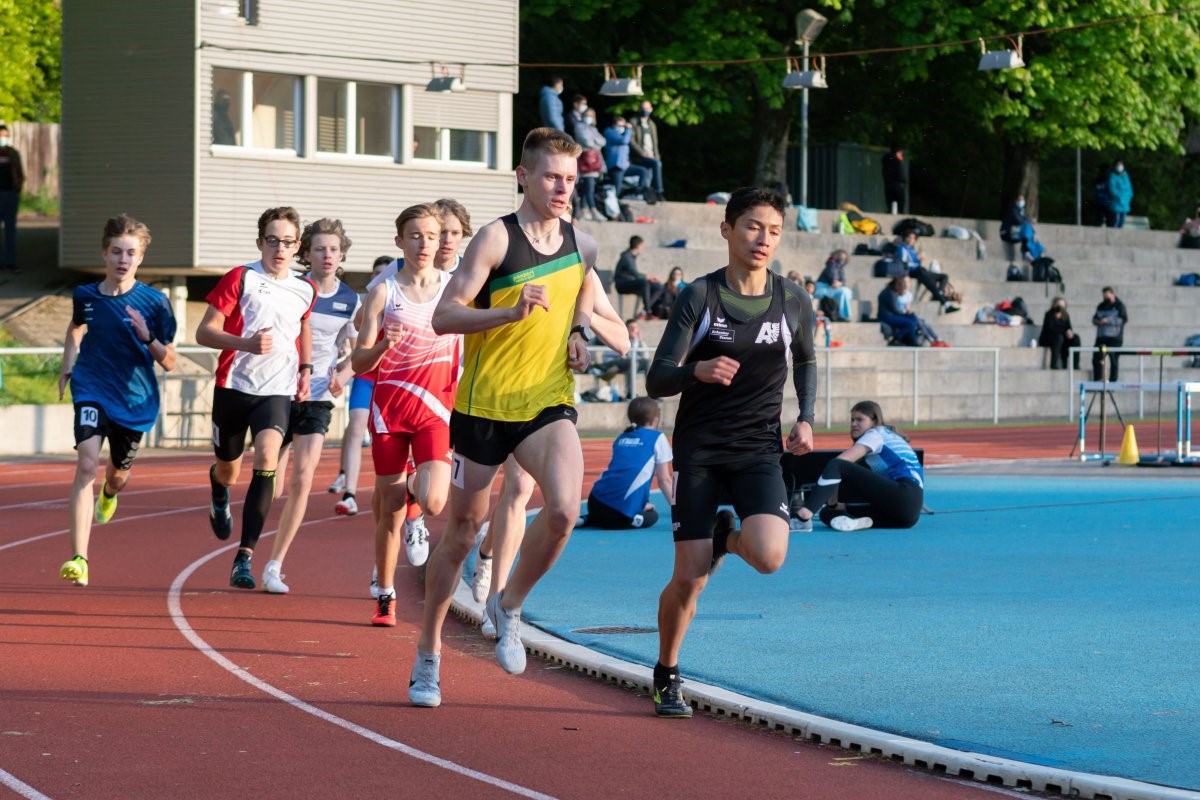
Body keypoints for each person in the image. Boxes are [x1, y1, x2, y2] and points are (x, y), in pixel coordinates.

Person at [407, 127, 598, 707]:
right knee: (462, 532)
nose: (562, 188)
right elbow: (445, 316)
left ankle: (509, 603)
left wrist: (580, 332)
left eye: (570, 178)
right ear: (523, 176)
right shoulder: (495, 239)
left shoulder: (584, 244)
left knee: (564, 510)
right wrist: (510, 312)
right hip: (482, 407)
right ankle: (429, 653)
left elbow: (584, 295)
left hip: (546, 401)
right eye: (551, 177)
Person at [645, 186, 817, 718]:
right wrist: (696, 369)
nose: (763, 239)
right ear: (727, 230)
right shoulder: (700, 296)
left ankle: (727, 535)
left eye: (773, 230)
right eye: (751, 227)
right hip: (699, 451)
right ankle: (667, 672)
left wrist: (806, 417)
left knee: (769, 555)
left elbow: (807, 361)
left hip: (758, 449)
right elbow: (656, 379)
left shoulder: (792, 300)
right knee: (689, 577)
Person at [470, 265, 631, 634]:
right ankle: (490, 569)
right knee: (517, 489)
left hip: (551, 400)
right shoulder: (518, 260)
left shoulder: (582, 275)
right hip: (506, 391)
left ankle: (494, 584)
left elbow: (622, 340)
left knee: (525, 490)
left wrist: (582, 324)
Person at [352, 204, 462, 626]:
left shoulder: (455, 289)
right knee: (390, 507)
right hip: (390, 412)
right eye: (414, 236)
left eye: (431, 236)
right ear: (399, 241)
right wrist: (382, 345)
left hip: (436, 410)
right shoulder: (383, 292)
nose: (424, 243)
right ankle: (385, 591)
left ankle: (416, 503)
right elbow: (360, 362)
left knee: (433, 501)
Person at [195, 206, 316, 590]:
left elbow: (303, 326)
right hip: (233, 386)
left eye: (288, 242)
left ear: (298, 246)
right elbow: (205, 332)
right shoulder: (240, 277)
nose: (280, 249)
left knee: (267, 459)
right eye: (272, 241)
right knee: (229, 470)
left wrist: (306, 369)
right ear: (260, 241)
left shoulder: (305, 287)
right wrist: (245, 343)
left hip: (276, 391)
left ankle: (244, 557)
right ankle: (218, 489)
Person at [56, 215, 178, 587]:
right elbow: (77, 326)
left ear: (140, 258)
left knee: (116, 474)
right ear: (104, 254)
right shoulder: (86, 295)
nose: (123, 260)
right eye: (116, 252)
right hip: (91, 386)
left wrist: (146, 336)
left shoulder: (155, 302)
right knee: (87, 462)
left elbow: (170, 361)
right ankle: (80, 558)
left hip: (135, 399)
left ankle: (110, 493)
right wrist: (67, 364)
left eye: (131, 253)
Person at [260, 218, 360, 593]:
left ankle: (275, 564)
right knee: (272, 481)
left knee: (304, 479)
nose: (327, 255)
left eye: (333, 249)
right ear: (307, 253)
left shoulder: (350, 299)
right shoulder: (294, 289)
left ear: (342, 254)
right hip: (280, 390)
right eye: (320, 249)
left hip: (317, 395)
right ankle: (251, 537)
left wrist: (343, 375)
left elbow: (355, 350)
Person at [327, 254, 394, 515]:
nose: (383, 277)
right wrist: (343, 375)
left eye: (386, 272)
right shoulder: (367, 305)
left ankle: (392, 492)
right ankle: (350, 494)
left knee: (386, 438)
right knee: (356, 427)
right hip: (367, 375)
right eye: (378, 273)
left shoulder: (407, 299)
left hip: (393, 377)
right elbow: (357, 351)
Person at [792, 400, 923, 533]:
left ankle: (803, 517)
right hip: (907, 516)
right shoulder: (888, 435)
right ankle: (860, 522)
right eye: (852, 419)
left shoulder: (875, 434)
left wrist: (830, 501)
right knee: (827, 514)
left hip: (904, 494)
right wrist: (835, 506)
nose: (854, 424)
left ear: (874, 421)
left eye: (859, 419)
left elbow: (840, 463)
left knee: (837, 465)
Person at [579, 397, 673, 529]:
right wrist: (680, 510)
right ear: (655, 420)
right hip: (618, 514)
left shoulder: (622, 437)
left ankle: (590, 518)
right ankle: (609, 518)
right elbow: (664, 481)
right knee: (652, 516)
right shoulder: (657, 438)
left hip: (595, 502)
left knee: (613, 507)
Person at [895, 229, 960, 313]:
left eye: (913, 238)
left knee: (944, 276)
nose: (911, 240)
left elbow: (914, 262)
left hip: (919, 270)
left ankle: (939, 293)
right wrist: (918, 263)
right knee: (928, 279)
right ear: (905, 238)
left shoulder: (912, 249)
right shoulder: (902, 248)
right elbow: (904, 264)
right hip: (912, 271)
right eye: (909, 237)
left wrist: (919, 261)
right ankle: (946, 303)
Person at [878, 274, 945, 347]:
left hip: (891, 315)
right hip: (886, 316)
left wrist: (909, 315)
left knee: (914, 319)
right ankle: (897, 338)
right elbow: (895, 310)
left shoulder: (890, 292)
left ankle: (912, 339)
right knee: (911, 323)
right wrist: (906, 315)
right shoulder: (890, 294)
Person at [603, 115, 649, 199]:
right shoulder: (609, 132)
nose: (622, 128)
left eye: (623, 126)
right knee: (617, 189)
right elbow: (624, 141)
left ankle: (638, 192)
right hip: (615, 167)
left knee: (643, 171)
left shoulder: (623, 134)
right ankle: (613, 206)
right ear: (614, 125)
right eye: (620, 126)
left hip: (625, 166)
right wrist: (628, 129)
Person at [574, 107, 607, 222]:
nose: (589, 117)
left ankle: (583, 210)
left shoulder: (593, 128)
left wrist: (594, 144)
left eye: (591, 115)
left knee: (587, 188)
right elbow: (586, 141)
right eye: (587, 115)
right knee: (589, 187)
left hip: (594, 164)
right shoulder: (579, 126)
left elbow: (603, 141)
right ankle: (593, 210)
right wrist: (595, 144)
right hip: (585, 163)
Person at [614, 235, 661, 317]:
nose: (643, 247)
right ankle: (648, 310)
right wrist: (649, 277)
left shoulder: (631, 257)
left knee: (659, 287)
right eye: (642, 245)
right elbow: (634, 273)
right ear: (638, 245)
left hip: (631, 282)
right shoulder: (626, 257)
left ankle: (645, 310)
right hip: (622, 285)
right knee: (644, 282)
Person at [0, 122, 24, 272]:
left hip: (10, 194)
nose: (3, 138)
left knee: (10, 231)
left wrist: (17, 190)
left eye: (6, 136)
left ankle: (10, 261)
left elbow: (20, 174)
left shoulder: (13, 153)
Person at [629, 100, 664, 200]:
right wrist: (642, 153)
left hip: (652, 155)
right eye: (644, 108)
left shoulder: (652, 124)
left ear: (651, 109)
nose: (646, 110)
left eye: (647, 108)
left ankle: (648, 194)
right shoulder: (634, 122)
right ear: (640, 109)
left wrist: (656, 156)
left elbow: (655, 143)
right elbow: (632, 141)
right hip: (639, 156)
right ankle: (659, 191)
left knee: (655, 165)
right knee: (656, 164)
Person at [1091, 286, 1128, 381]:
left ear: (1113, 294)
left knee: (1114, 361)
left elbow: (1123, 319)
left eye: (1108, 296)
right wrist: (1098, 321)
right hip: (1102, 338)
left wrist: (1108, 320)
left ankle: (1112, 383)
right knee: (1097, 360)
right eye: (1104, 296)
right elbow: (1094, 318)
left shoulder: (1120, 306)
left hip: (1115, 338)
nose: (1106, 298)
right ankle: (1097, 381)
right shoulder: (1101, 306)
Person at [1038, 296, 1081, 370]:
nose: (1060, 307)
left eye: (1062, 305)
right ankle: (1054, 364)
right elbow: (1050, 329)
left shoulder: (1065, 315)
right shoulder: (1049, 314)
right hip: (1049, 338)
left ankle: (1075, 366)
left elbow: (1069, 328)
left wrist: (1069, 333)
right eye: (1059, 305)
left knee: (1076, 338)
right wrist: (1064, 332)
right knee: (1058, 338)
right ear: (1054, 305)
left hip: (1062, 338)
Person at [813, 249, 853, 322]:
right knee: (844, 292)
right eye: (840, 257)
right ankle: (842, 316)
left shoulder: (840, 269)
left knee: (846, 291)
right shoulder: (831, 264)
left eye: (844, 258)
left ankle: (843, 315)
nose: (842, 260)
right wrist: (835, 282)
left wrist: (840, 283)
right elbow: (832, 278)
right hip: (822, 288)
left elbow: (843, 280)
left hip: (830, 289)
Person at [1106, 161, 1133, 229]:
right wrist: (1121, 197)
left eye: (1121, 165)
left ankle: (1117, 238)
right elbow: (1112, 190)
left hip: (1125, 204)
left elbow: (1129, 189)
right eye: (1118, 165)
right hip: (1116, 204)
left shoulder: (1126, 176)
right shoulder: (1112, 177)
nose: (1120, 167)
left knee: (1121, 223)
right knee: (1116, 222)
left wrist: (1128, 197)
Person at [882, 144, 906, 214]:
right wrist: (904, 180)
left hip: (888, 184)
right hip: (898, 185)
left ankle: (889, 212)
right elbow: (900, 173)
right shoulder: (897, 161)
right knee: (901, 205)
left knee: (889, 203)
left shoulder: (886, 159)